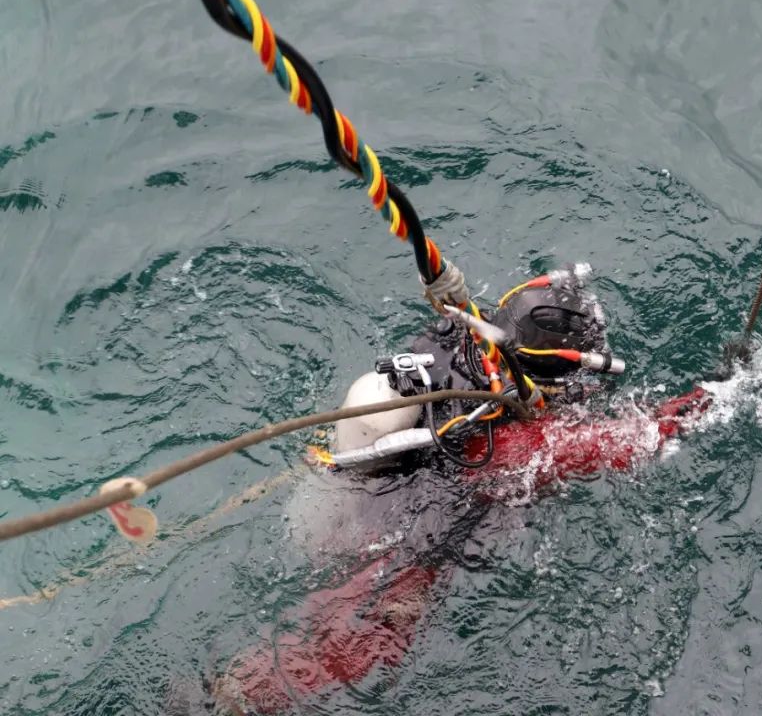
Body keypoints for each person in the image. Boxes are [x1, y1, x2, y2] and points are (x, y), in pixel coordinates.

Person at [207, 266, 727, 715]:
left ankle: (228, 689)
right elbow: (637, 436)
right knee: (380, 634)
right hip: (397, 531)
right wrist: (719, 393)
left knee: (341, 616)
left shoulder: (456, 337)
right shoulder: (519, 445)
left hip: (336, 492)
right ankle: (238, 699)